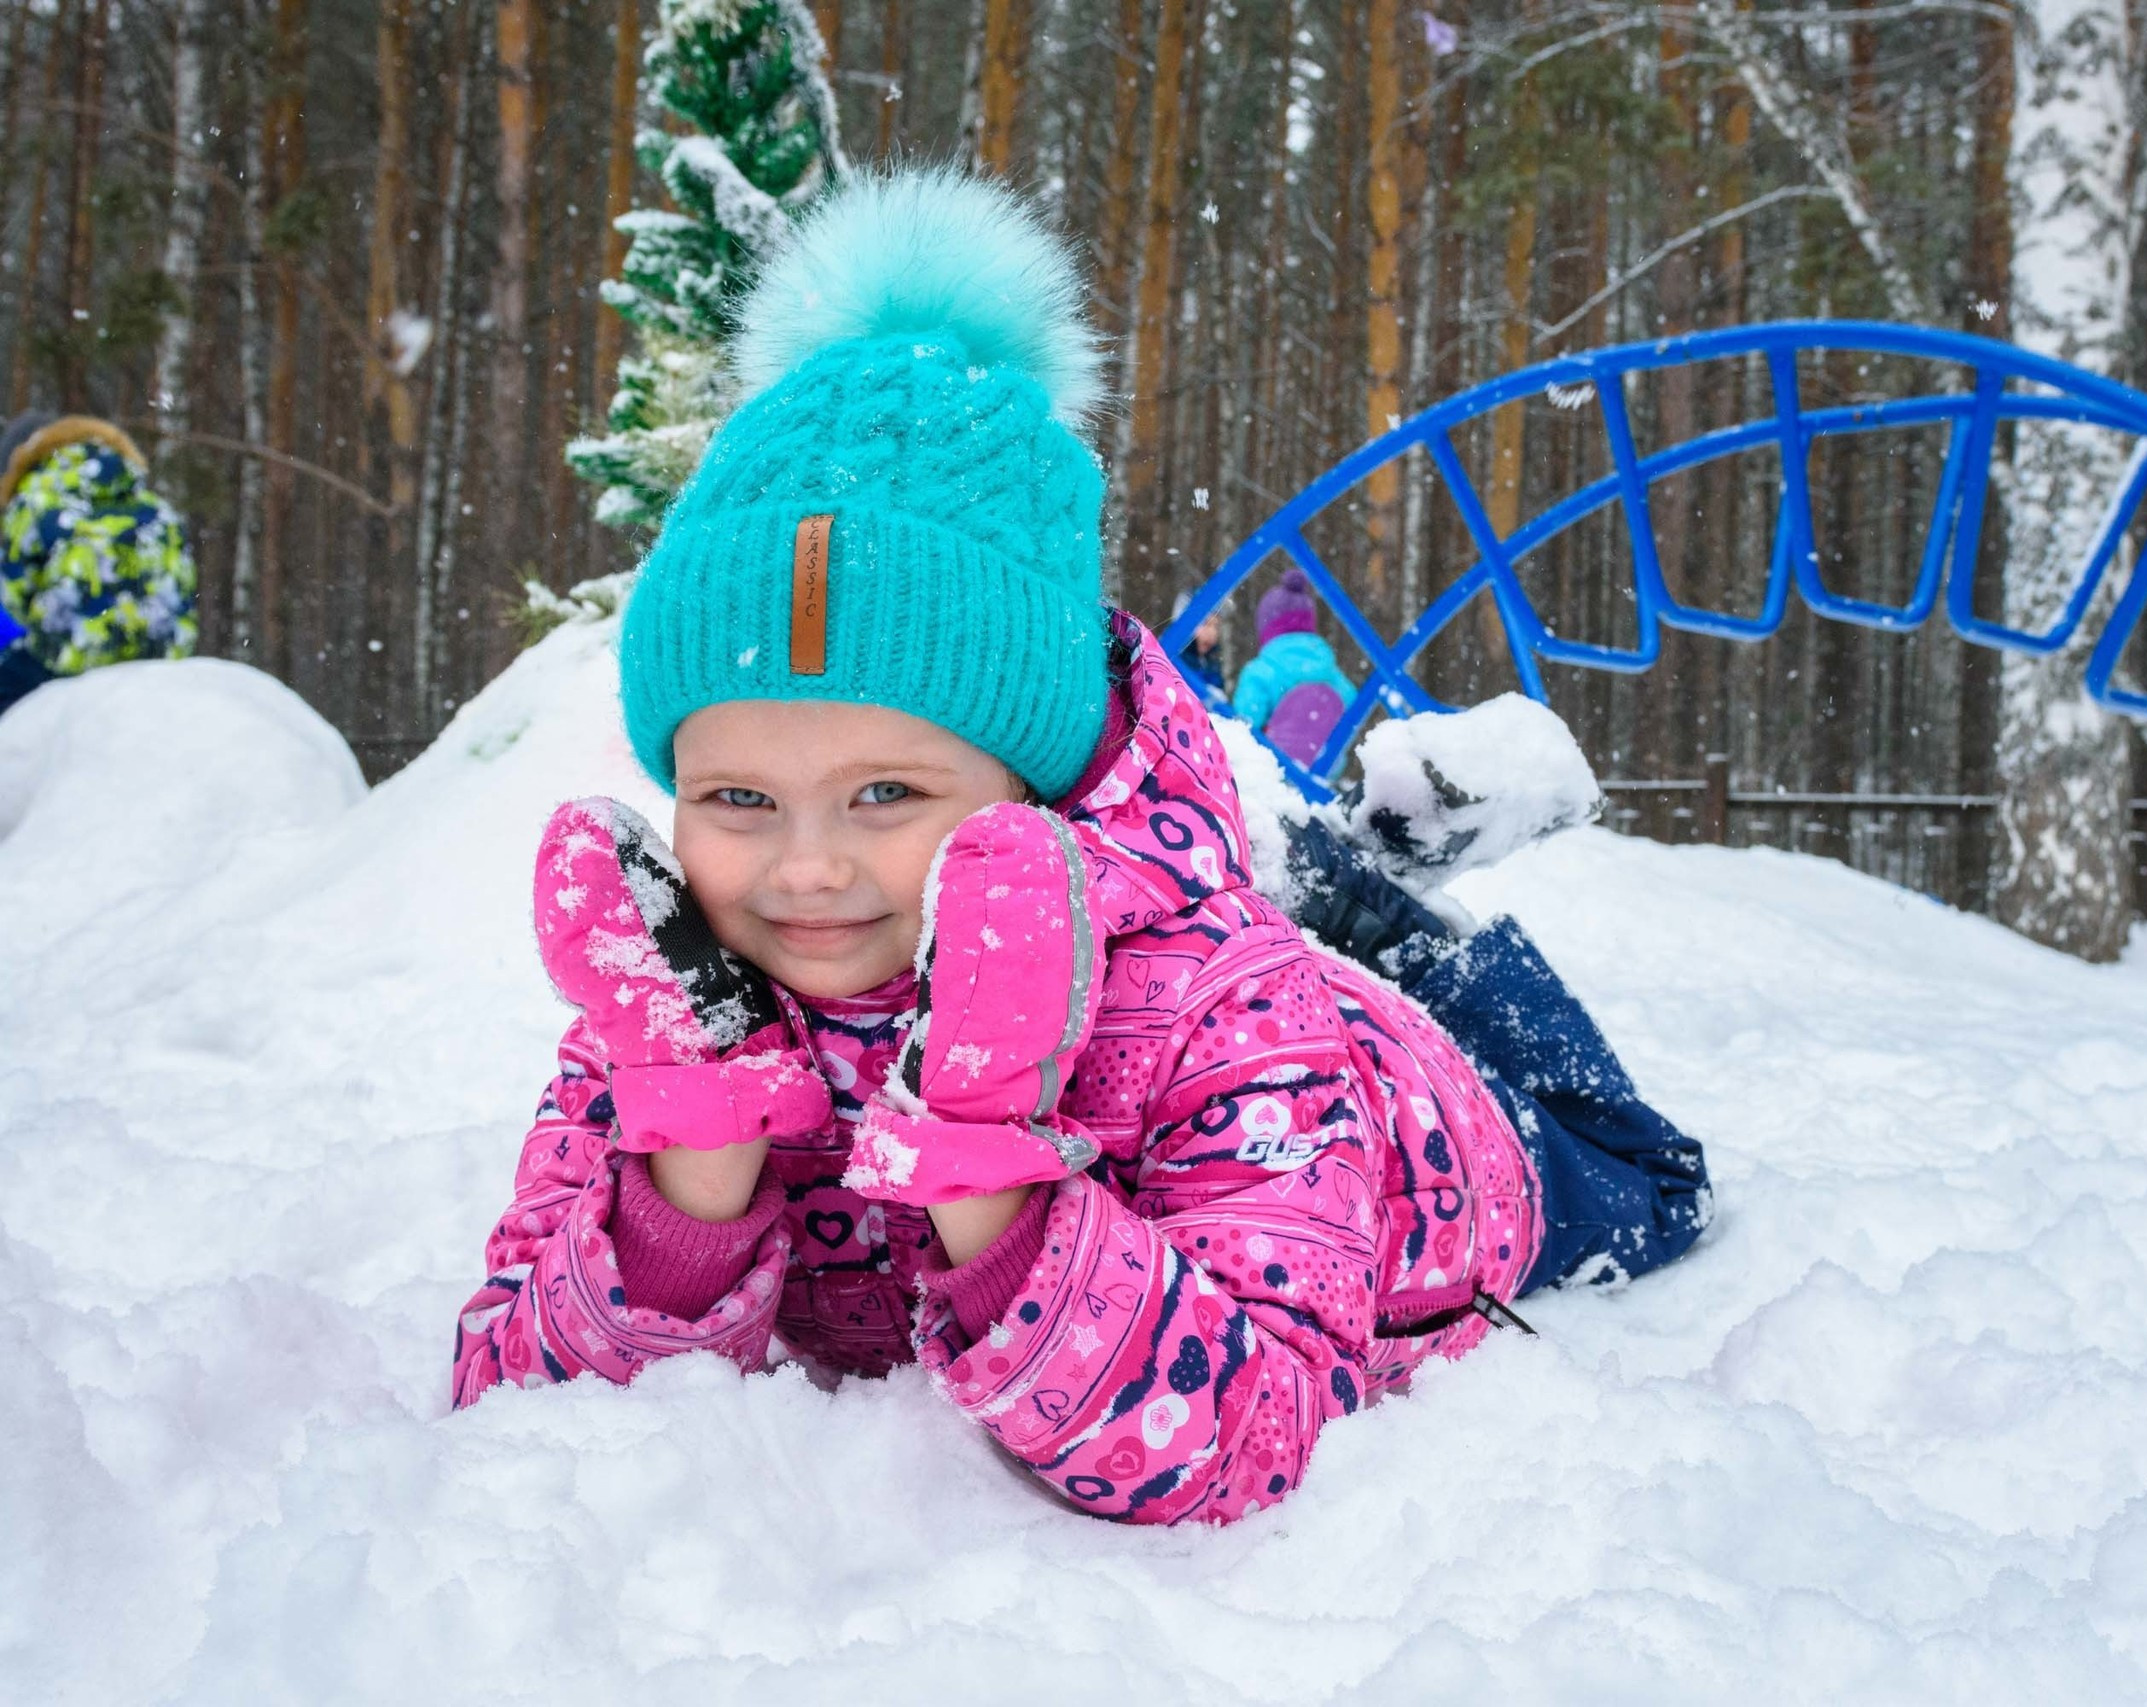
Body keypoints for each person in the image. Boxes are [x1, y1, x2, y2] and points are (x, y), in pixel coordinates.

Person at [450, 168, 1709, 1526]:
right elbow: (518, 1398)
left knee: (1637, 1170)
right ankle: (1340, 888)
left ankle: (1378, 914)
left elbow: (1252, 1429)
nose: (803, 867)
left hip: (1436, 1128)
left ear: (1035, 784)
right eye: (739, 800)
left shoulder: (1218, 1008)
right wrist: (691, 1155)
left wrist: (990, 1171)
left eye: (885, 791)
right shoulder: (666, 1008)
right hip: (1228, 995)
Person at [0, 411, 198, 716]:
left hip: (66, 657)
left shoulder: (33, 503)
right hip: (159, 655)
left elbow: (12, 593)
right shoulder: (155, 509)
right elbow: (183, 589)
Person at [1234, 566, 1357, 768]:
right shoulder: (1330, 671)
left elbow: (1245, 722)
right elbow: (1351, 705)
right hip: (1324, 768)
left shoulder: (1260, 671)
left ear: (1266, 627)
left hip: (1272, 768)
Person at [1167, 585, 1230, 712]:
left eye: (1216, 626)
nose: (1212, 632)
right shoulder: (1173, 661)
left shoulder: (1211, 663)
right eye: (1205, 624)